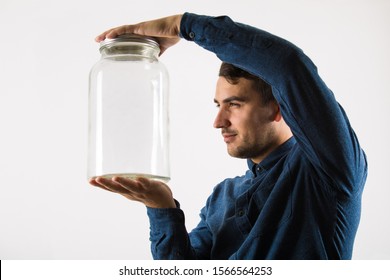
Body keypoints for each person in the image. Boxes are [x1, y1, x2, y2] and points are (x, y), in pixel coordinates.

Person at [90, 13, 368, 259]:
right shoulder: (223, 197)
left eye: (234, 104)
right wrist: (161, 206)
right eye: (218, 105)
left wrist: (180, 25)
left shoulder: (327, 170)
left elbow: (289, 66)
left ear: (278, 108)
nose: (218, 122)